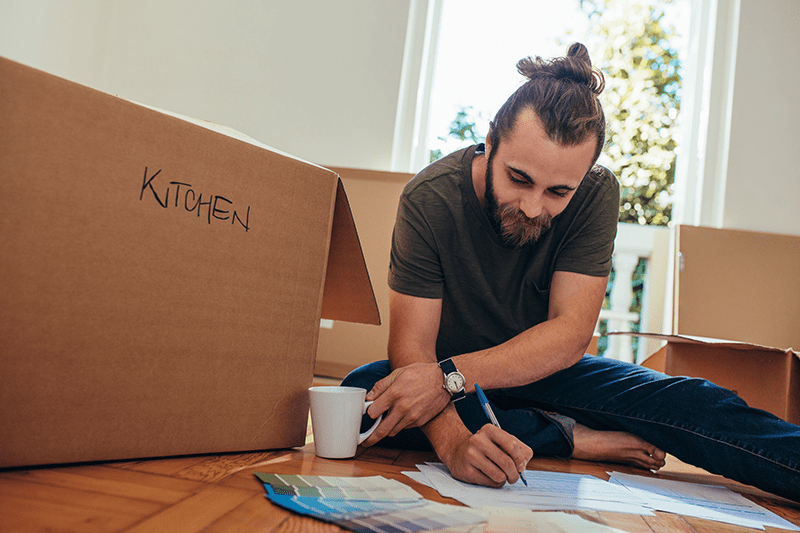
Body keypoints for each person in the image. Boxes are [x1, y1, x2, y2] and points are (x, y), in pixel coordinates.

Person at [342, 43, 800, 502]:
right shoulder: (429, 198)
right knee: (361, 392)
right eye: (519, 178)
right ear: (491, 139)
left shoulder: (596, 194)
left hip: (538, 374)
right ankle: (575, 438)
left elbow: (569, 333)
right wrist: (452, 441)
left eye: (558, 191)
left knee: (693, 400)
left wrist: (448, 377)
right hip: (445, 383)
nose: (533, 206)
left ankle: (546, 431)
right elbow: (412, 348)